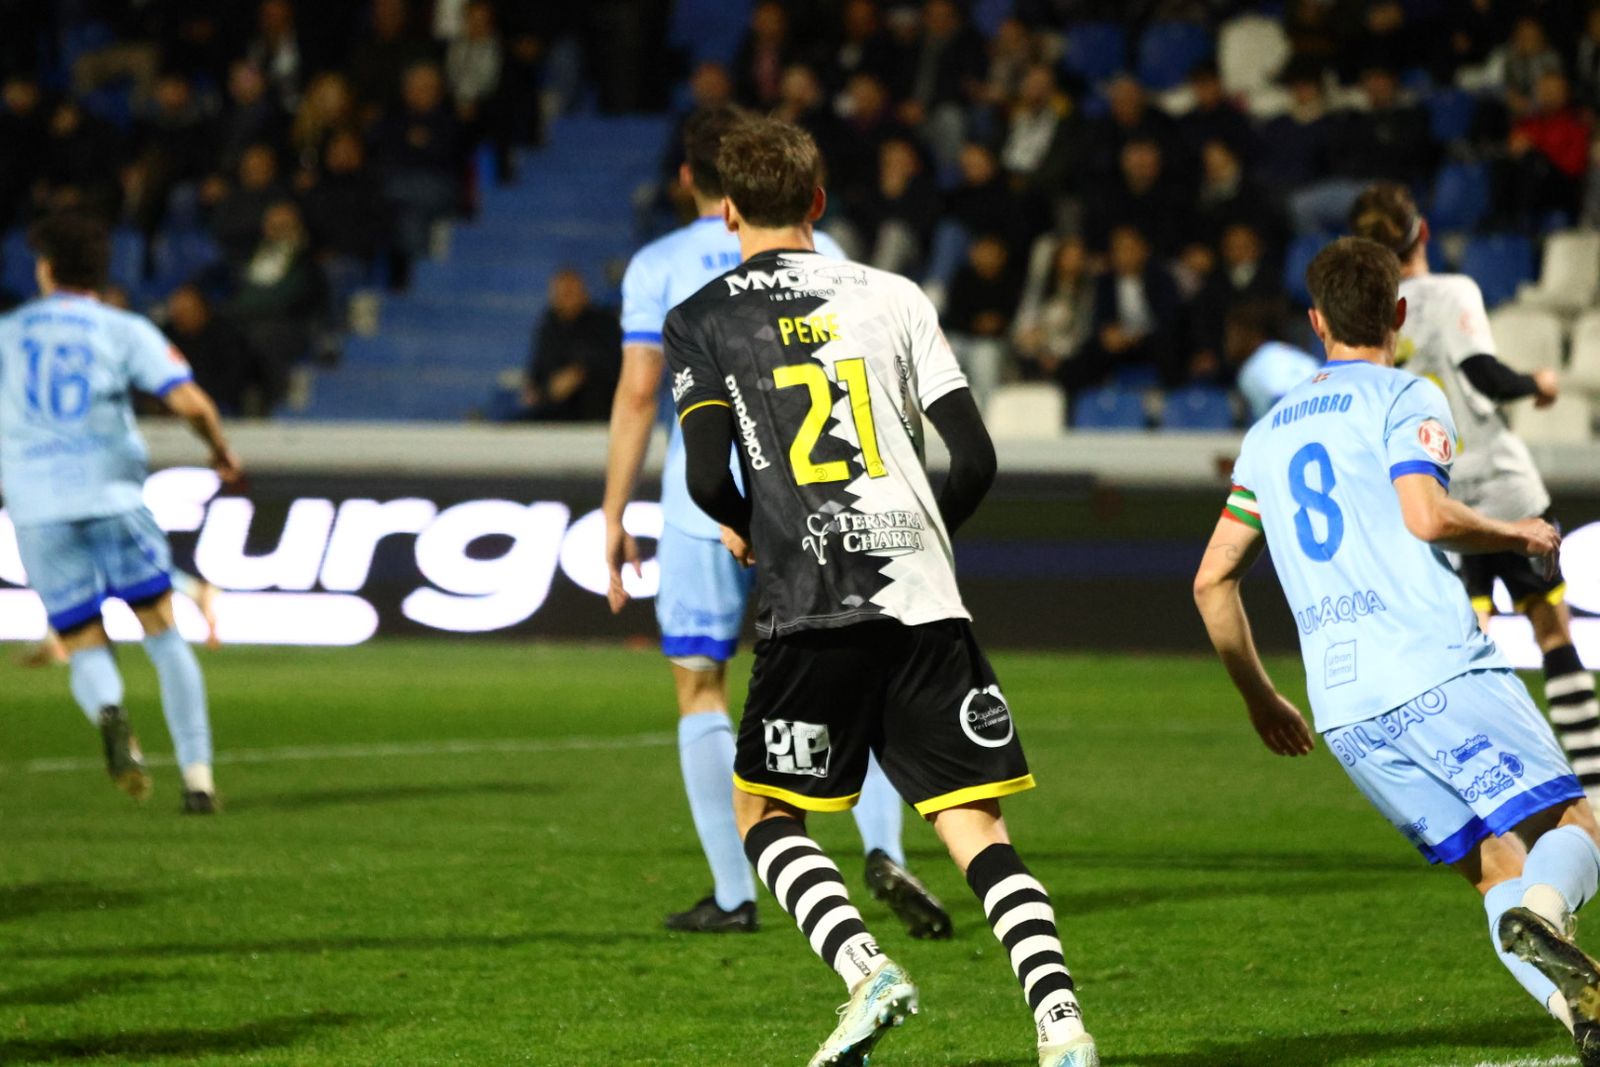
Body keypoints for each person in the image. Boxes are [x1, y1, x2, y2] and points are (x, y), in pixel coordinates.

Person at [665, 116, 1098, 1067]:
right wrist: (924, 540)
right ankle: (1062, 1024)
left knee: (764, 815)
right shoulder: (897, 295)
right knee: (974, 824)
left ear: (728, 211)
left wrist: (752, 527)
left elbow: (703, 476)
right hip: (922, 596)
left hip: (813, 599)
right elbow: (974, 459)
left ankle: (867, 970)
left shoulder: (700, 315)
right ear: (819, 203)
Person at [1193, 235, 1600, 1064]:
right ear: (1400, 313)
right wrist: (1515, 530)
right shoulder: (1406, 394)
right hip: (1433, 663)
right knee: (1573, 821)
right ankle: (1548, 913)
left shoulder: (1265, 436)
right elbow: (1426, 515)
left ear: (1316, 322)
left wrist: (1261, 697)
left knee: (1495, 870)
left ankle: (1583, 1017)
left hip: (1344, 709)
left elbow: (1210, 582)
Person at [602, 107, 948, 938]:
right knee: (859, 674)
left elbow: (642, 393)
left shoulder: (659, 265)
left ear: (693, 182)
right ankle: (882, 847)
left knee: (701, 685)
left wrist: (614, 509)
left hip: (705, 505)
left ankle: (737, 890)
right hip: (816, 501)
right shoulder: (826, 253)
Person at [1350, 182, 1599, 800]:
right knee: (1550, 628)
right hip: (1503, 485)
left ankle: (1487, 787)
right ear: (1423, 233)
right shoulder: (1452, 292)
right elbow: (1484, 374)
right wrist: (1539, 383)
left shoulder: (1369, 314)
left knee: (1467, 646)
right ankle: (1594, 783)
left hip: (1434, 496)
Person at [0, 213, 242, 813]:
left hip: (37, 509)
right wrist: (219, 450)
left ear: (45, 269)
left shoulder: (7, 332)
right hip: (112, 499)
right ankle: (198, 781)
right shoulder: (124, 328)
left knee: (83, 643)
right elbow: (191, 403)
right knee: (163, 634)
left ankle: (112, 716)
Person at [521, 269, 620, 421]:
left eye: (571, 292)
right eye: (562, 293)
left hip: (597, 411)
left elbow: (613, 363)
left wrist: (578, 373)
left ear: (584, 293)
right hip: (554, 412)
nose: (567, 298)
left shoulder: (604, 322)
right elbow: (538, 371)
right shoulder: (548, 326)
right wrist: (539, 388)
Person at [1224, 297, 1318, 423]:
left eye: (1233, 332)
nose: (1228, 341)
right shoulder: (1294, 355)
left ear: (1252, 333)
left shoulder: (1255, 367)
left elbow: (1286, 408)